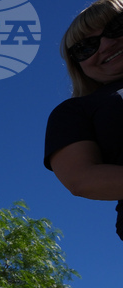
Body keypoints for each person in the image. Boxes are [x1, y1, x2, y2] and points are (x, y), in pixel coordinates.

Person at [46, 0, 123, 240]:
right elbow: (81, 178)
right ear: (77, 65)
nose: (106, 45)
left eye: (116, 27)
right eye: (86, 47)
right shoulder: (75, 111)